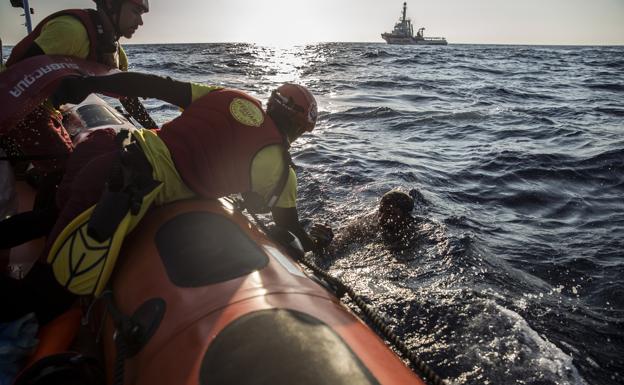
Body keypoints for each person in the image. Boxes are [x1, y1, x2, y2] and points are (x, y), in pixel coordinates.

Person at [0, 72, 333, 324]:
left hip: (106, 153)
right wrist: (316, 240)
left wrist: (88, 83)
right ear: (299, 129)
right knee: (46, 298)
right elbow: (287, 228)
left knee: (54, 216)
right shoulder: (279, 170)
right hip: (118, 188)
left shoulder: (230, 96)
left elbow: (154, 85)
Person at [0, 0, 153, 180]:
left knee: (76, 159)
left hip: (49, 106)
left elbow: (127, 98)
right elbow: (18, 77)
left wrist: (153, 129)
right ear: (112, 6)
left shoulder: (115, 54)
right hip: (18, 105)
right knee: (67, 168)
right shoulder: (71, 31)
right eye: (136, 12)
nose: (140, 22)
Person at [328, 190, 421, 255]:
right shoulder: (368, 223)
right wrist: (328, 242)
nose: (382, 217)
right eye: (381, 210)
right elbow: (341, 241)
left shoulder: (411, 232)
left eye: (391, 213)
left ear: (406, 217)